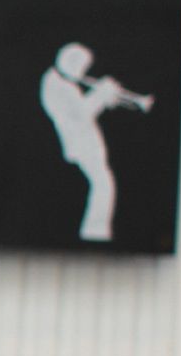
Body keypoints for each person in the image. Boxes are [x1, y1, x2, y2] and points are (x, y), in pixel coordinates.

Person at [39, 41, 140, 243]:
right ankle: (95, 232)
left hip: (86, 140)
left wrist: (105, 98)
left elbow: (83, 110)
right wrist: (101, 94)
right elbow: (82, 114)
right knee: (103, 184)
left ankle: (95, 231)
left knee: (103, 183)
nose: (83, 73)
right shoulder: (57, 86)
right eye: (82, 67)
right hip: (80, 143)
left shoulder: (59, 79)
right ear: (70, 63)